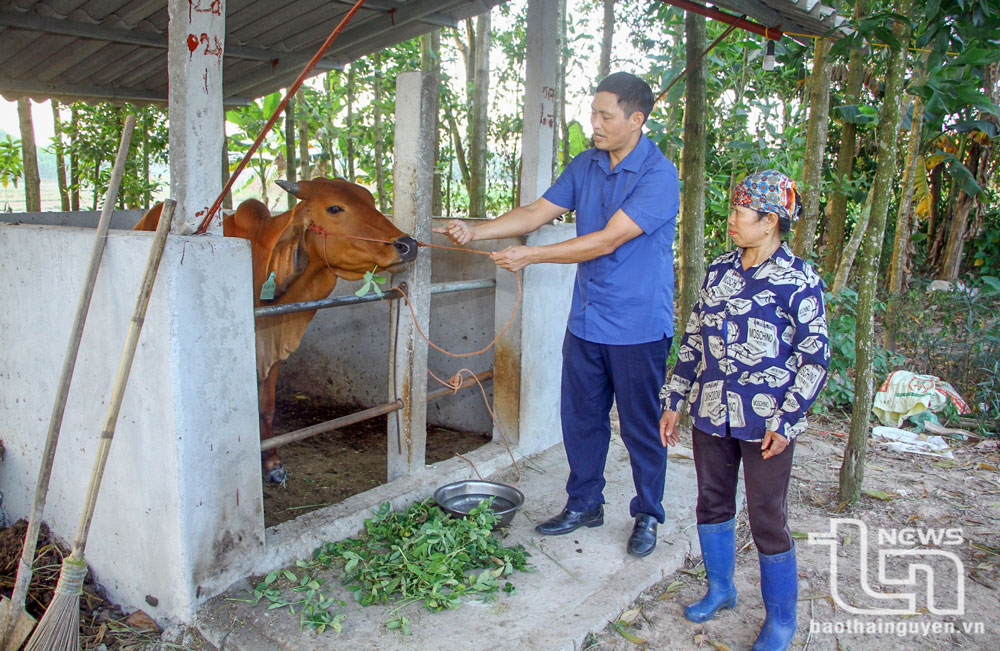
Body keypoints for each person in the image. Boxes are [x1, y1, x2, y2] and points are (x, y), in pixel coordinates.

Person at [436, 72, 679, 557]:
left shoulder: (658, 175)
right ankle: (584, 503)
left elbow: (608, 239)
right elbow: (535, 213)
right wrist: (476, 231)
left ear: (637, 119)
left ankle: (648, 512)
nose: (595, 123)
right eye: (593, 113)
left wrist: (531, 257)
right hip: (587, 320)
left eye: (605, 115)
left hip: (637, 326)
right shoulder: (586, 164)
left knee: (637, 426)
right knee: (582, 419)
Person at [658, 170, 830, 651]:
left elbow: (815, 358)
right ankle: (721, 589)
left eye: (740, 212)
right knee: (712, 502)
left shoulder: (799, 282)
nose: (731, 219)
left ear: (770, 221)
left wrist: (789, 420)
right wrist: (675, 400)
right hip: (711, 414)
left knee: (766, 518)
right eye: (733, 210)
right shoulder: (718, 272)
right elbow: (693, 340)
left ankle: (780, 621)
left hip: (767, 426)